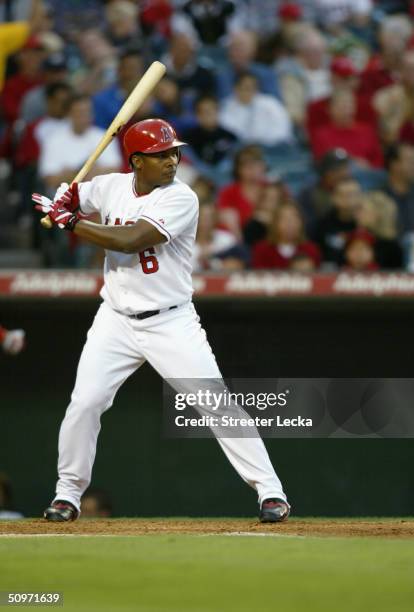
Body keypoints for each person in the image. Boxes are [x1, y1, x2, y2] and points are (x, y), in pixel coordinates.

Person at [32, 118, 290, 524]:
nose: (172, 161)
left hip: (170, 320)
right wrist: (66, 198)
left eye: (173, 152)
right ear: (136, 161)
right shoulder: (110, 186)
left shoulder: (181, 198)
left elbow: (130, 239)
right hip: (115, 318)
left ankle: (270, 491)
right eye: (160, 155)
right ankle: (67, 495)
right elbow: (79, 193)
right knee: (84, 403)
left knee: (214, 402)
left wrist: (71, 221)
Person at [219, 72, 292, 147]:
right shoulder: (226, 106)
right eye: (245, 87)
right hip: (240, 148)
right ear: (235, 88)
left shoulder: (271, 103)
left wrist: (263, 142)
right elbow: (228, 131)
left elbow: (282, 129)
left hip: (272, 147)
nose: (249, 91)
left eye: (253, 87)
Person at [252, 201, 321, 270]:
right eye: (285, 219)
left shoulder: (311, 250)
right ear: (275, 223)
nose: (290, 223)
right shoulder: (262, 250)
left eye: (294, 218)